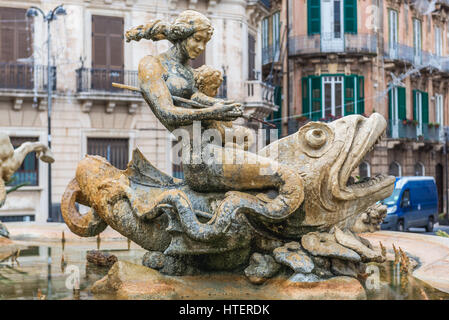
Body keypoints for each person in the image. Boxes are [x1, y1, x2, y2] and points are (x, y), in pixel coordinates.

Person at [126, 10, 303, 225]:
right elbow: (168, 112)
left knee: (269, 160)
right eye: (197, 40)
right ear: (182, 36)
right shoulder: (151, 65)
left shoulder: (187, 72)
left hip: (217, 145)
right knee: (286, 178)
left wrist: (222, 105)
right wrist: (215, 112)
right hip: (201, 157)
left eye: (205, 42)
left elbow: (197, 97)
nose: (201, 48)